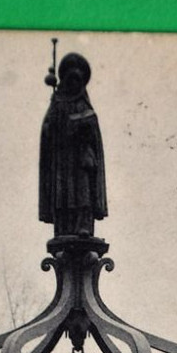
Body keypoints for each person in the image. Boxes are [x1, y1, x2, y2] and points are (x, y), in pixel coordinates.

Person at [39, 52, 108, 238]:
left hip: (81, 160)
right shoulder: (57, 103)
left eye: (77, 80)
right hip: (62, 160)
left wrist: (79, 123)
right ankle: (62, 225)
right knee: (63, 194)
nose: (73, 84)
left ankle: (83, 224)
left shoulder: (83, 103)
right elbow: (47, 130)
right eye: (70, 80)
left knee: (83, 193)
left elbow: (92, 125)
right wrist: (51, 124)